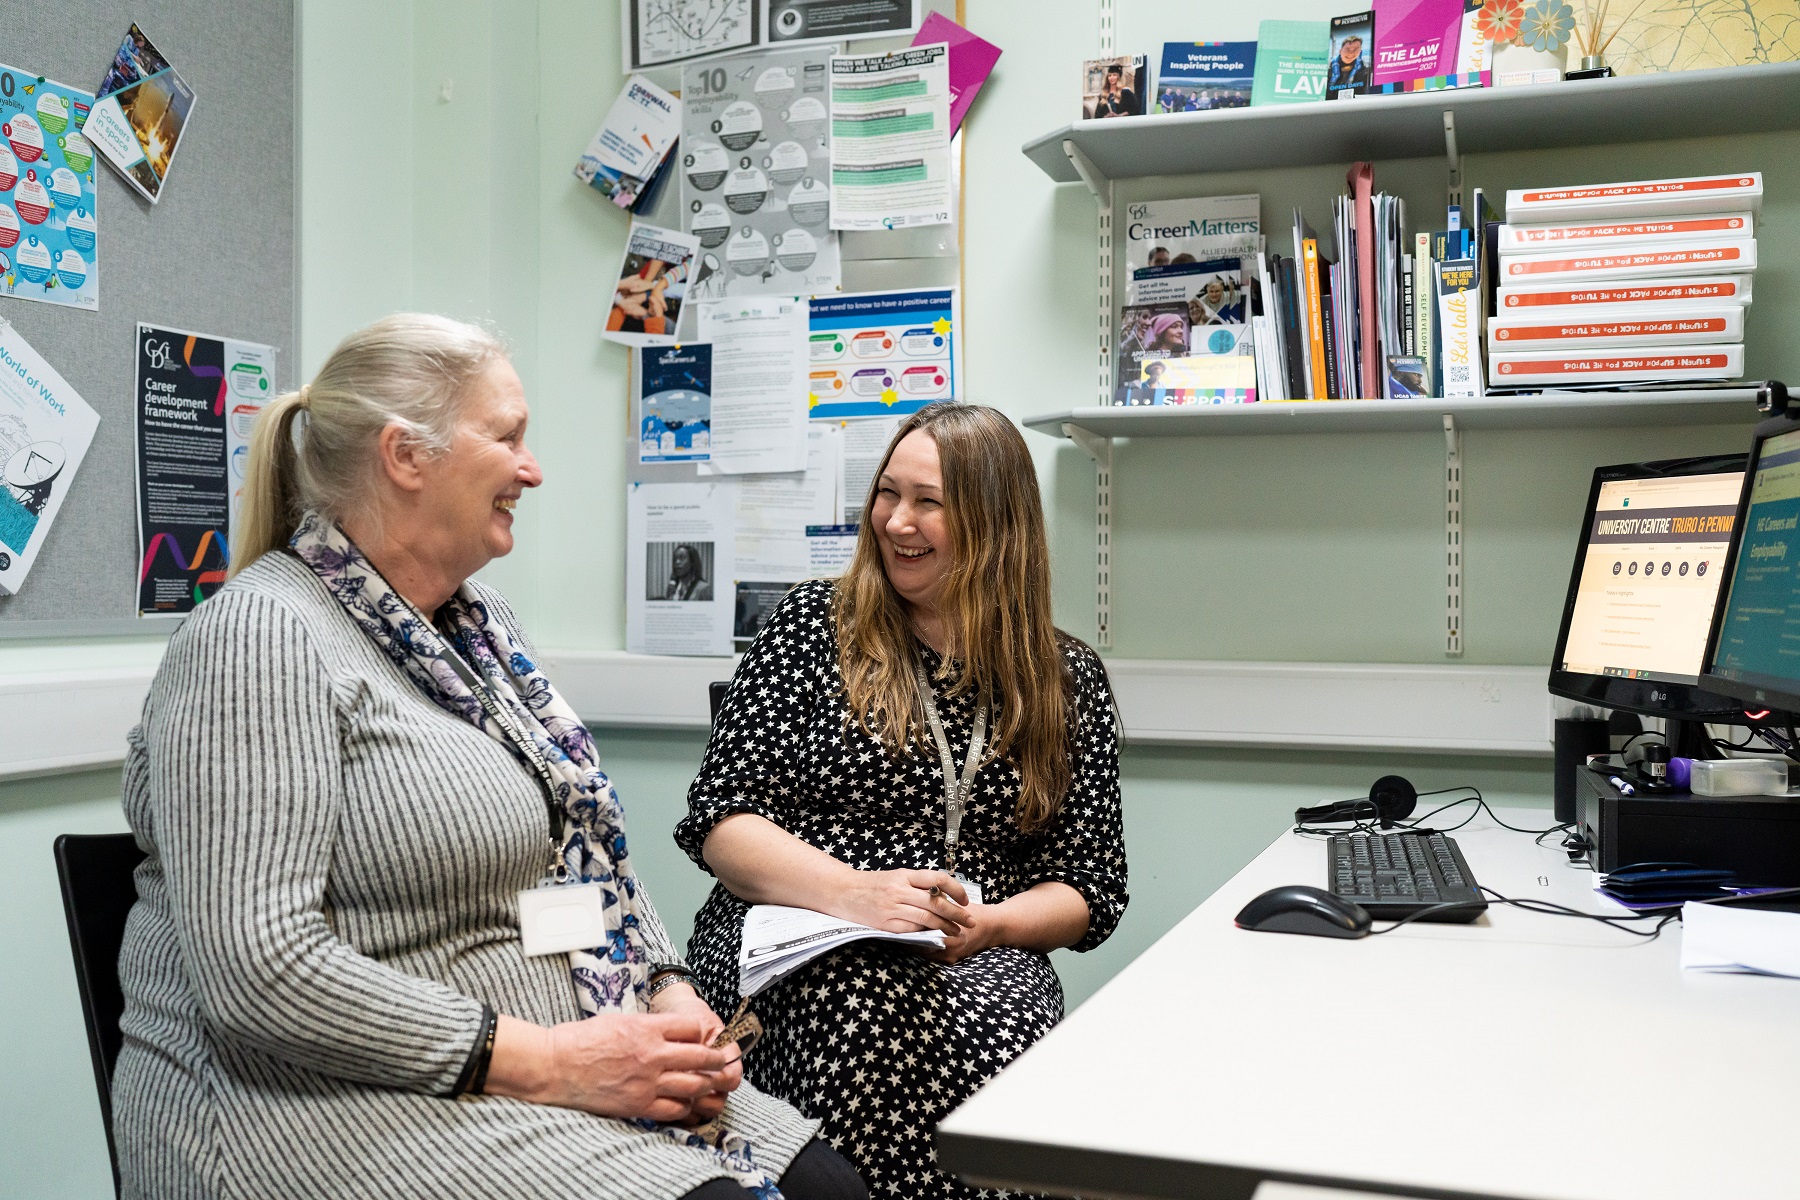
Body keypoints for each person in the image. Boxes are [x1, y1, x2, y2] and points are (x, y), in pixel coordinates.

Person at [112, 313, 865, 1200]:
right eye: (508, 436)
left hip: (549, 1059)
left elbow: (568, 851)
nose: (532, 469)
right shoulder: (260, 635)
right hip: (315, 1103)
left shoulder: (481, 629)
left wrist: (664, 989)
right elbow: (258, 973)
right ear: (407, 456)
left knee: (827, 1188)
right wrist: (556, 1061)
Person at [676, 402, 1129, 1199]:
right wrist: (855, 895)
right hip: (794, 935)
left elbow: (1088, 887)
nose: (896, 521)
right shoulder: (813, 627)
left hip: (976, 956)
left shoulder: (1064, 678)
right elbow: (722, 819)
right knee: (863, 999)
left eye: (928, 502)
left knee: (997, 1031)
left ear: (995, 524)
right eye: (887, 494)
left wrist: (990, 927)